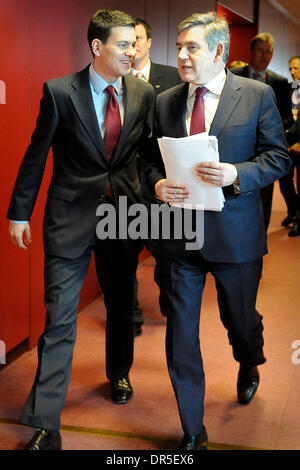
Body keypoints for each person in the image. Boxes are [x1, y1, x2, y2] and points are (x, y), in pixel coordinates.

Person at [7, 9, 154, 450]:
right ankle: (46, 425)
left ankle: (119, 373)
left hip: (123, 217)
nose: (133, 51)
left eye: (135, 44)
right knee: (60, 321)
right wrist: (19, 214)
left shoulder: (144, 94)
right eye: (124, 44)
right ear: (97, 47)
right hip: (69, 220)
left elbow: (146, 157)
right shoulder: (59, 93)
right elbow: (37, 156)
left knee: (120, 304)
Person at [143, 11, 291, 450]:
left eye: (192, 48)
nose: (182, 56)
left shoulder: (258, 95)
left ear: (219, 51)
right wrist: (156, 182)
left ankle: (249, 361)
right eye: (179, 48)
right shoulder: (166, 100)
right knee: (181, 334)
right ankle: (193, 429)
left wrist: (235, 173)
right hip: (180, 237)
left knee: (239, 321)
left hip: (236, 235)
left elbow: (278, 158)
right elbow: (149, 159)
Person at [130, 18, 183, 336]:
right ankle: (131, 314)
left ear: (149, 41)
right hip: (125, 183)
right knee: (125, 254)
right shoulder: (115, 76)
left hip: (162, 181)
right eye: (126, 39)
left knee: (166, 253)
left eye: (138, 38)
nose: (133, 45)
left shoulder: (172, 77)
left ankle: (169, 296)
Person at [230, 33, 293, 231]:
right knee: (232, 199)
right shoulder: (232, 75)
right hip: (236, 150)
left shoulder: (280, 82)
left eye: (269, 52)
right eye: (260, 51)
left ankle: (258, 239)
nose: (265, 56)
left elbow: (287, 117)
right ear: (250, 52)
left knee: (262, 203)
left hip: (264, 153)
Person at [285, 55, 300, 236]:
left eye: (295, 68)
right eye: (290, 68)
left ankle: (298, 218)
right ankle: (292, 211)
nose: (292, 71)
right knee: (284, 182)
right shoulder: (288, 89)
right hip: (287, 144)